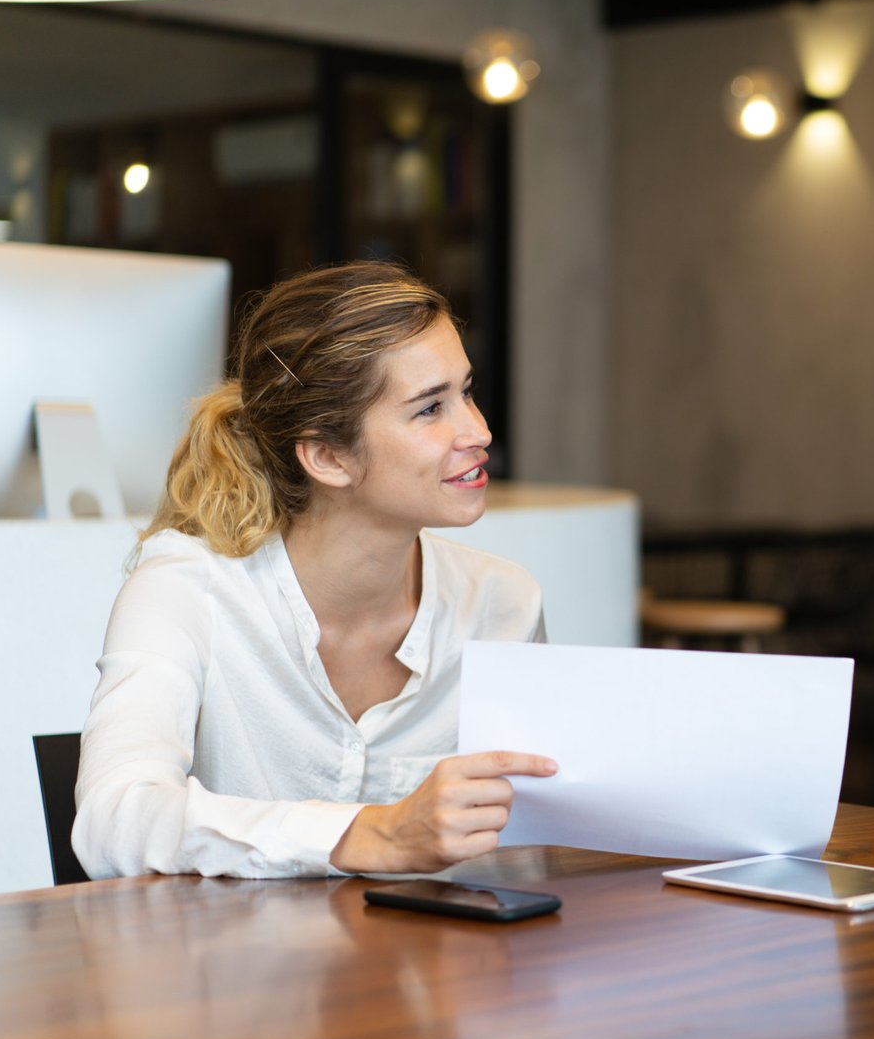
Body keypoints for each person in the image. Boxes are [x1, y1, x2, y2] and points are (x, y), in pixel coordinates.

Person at [74, 261, 557, 879]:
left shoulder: (505, 602)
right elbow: (113, 820)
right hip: (246, 971)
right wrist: (365, 834)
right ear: (328, 456)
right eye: (430, 409)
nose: (479, 430)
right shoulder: (185, 590)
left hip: (440, 969)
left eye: (467, 392)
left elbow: (532, 849)